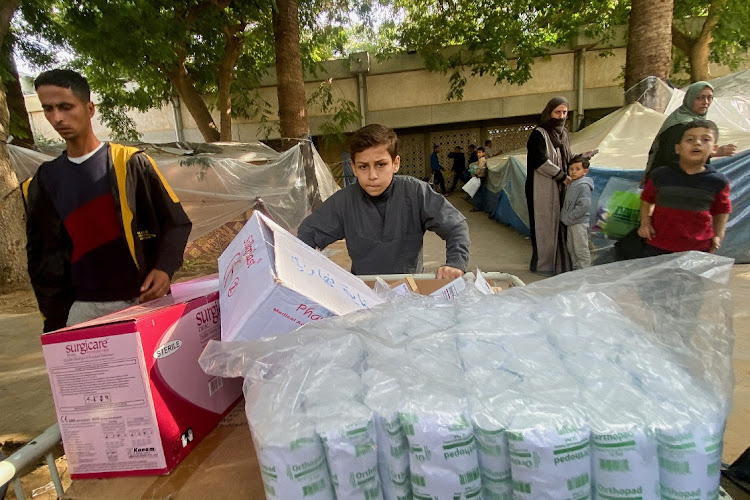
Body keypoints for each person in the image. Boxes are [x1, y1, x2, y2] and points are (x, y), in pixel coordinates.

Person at [24, 69, 192, 332]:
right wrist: (55, 317)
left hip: (143, 301)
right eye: (48, 109)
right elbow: (41, 253)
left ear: (90, 108)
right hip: (82, 310)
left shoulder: (130, 163)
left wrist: (164, 268)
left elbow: (176, 222)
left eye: (66, 107)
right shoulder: (47, 179)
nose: (57, 118)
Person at [297, 124, 470, 279]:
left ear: (395, 163)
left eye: (381, 165)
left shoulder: (415, 192)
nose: (372, 175)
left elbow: (455, 226)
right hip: (364, 293)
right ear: (354, 168)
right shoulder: (344, 202)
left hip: (410, 292)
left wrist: (455, 263)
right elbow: (307, 233)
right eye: (364, 166)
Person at [637, 119, 731, 256]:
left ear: (714, 149)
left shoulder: (718, 182)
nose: (697, 143)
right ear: (678, 148)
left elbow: (722, 211)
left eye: (705, 139)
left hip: (698, 248)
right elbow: (646, 199)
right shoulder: (661, 175)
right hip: (658, 245)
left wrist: (718, 235)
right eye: (690, 139)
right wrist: (645, 223)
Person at [645, 81, 736, 179]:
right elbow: (673, 157)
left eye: (709, 98)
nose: (705, 102)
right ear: (690, 99)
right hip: (669, 180)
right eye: (699, 98)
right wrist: (712, 153)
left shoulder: (693, 119)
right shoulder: (680, 124)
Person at [525, 96, 573, 276]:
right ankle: (543, 265)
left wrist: (580, 159)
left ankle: (558, 263)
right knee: (543, 225)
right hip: (541, 189)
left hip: (561, 186)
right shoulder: (539, 134)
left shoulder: (564, 134)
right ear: (549, 112)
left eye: (564, 112)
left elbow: (567, 156)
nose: (561, 116)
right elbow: (539, 160)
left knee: (558, 224)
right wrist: (561, 175)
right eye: (557, 112)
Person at [560, 154, 594, 269]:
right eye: (571, 169)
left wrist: (571, 217)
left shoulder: (583, 186)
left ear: (585, 171)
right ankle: (576, 271)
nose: (573, 172)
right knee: (572, 248)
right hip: (571, 222)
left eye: (577, 169)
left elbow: (585, 204)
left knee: (581, 249)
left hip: (578, 223)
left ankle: (585, 272)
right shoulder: (572, 184)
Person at [469, 147, 487, 212]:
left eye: (480, 152)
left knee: (478, 193)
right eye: (477, 153)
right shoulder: (482, 159)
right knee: (480, 192)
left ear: (483, 153)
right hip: (481, 176)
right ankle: (480, 206)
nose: (478, 154)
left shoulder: (482, 160)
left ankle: (477, 207)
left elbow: (480, 168)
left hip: (480, 177)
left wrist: (475, 174)